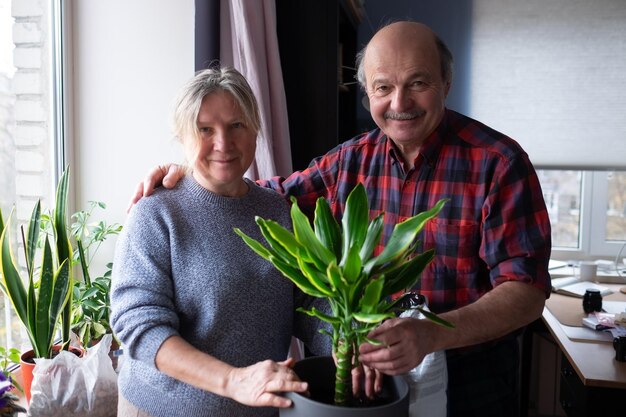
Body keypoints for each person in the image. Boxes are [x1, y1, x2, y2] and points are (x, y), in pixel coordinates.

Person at [130, 21, 552, 416]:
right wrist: (189, 174)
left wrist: (434, 334)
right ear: (368, 95)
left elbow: (527, 291)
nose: (399, 103)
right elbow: (254, 198)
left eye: (418, 83)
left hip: (471, 387)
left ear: (446, 83)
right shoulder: (349, 161)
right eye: (383, 87)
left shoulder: (499, 163)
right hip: (370, 381)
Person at [111, 67, 330, 417]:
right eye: (204, 129)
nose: (223, 144)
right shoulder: (155, 213)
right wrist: (233, 381)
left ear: (255, 130)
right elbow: (139, 327)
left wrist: (351, 352)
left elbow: (312, 307)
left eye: (236, 126)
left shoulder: (280, 212)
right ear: (183, 137)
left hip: (263, 408)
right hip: (162, 410)